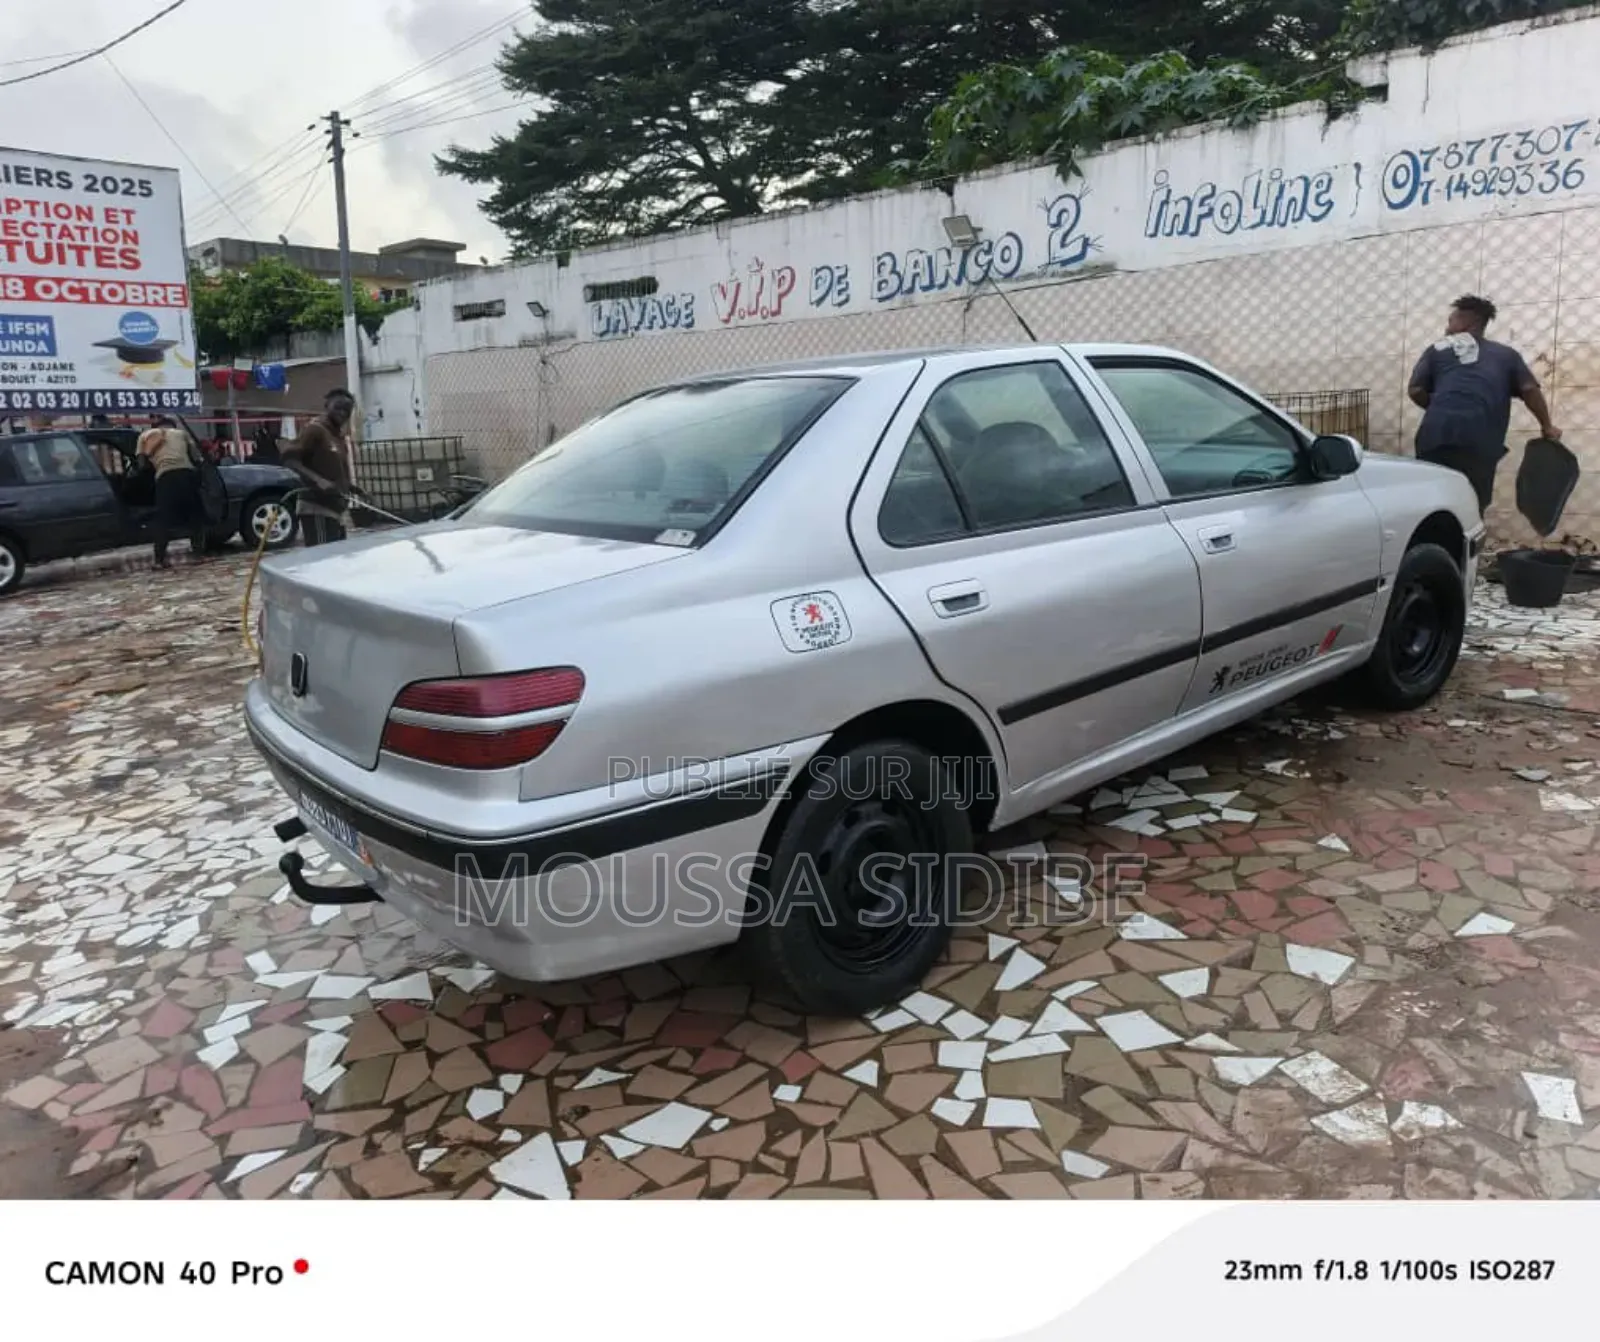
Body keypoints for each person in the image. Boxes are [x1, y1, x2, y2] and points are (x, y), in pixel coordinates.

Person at [1407, 295, 1560, 513]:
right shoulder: (1506, 355)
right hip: (1480, 439)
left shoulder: (1437, 349)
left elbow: (1415, 390)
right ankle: (1468, 542)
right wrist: (1547, 426)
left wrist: (1442, 408)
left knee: (1431, 499)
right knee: (1473, 501)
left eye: (1451, 321)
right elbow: (1529, 390)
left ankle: (1434, 544)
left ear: (1466, 322)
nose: (1446, 328)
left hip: (1435, 435)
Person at [283, 388, 358, 546]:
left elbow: (330, 468)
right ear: (326, 406)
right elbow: (290, 460)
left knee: (335, 558)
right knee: (322, 561)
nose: (343, 413)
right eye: (338, 407)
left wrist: (352, 488)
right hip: (317, 507)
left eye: (347, 410)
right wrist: (318, 480)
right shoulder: (314, 430)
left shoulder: (337, 435)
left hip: (336, 510)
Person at [138, 415, 205, 567]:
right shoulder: (181, 434)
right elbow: (197, 458)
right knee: (195, 516)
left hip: (165, 478)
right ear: (172, 426)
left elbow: (141, 465)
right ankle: (197, 555)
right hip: (186, 475)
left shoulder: (145, 436)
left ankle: (159, 560)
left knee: (163, 520)